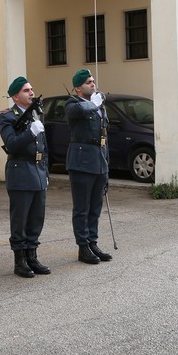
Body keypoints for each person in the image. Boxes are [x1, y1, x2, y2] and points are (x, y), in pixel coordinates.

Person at [0, 76, 51, 278]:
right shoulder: (7, 117)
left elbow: (44, 148)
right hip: (21, 172)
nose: (31, 93)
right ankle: (19, 260)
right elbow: (11, 144)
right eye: (26, 90)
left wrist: (46, 173)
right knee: (20, 219)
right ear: (15, 97)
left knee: (36, 218)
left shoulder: (35, 114)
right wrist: (30, 132)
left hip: (38, 171)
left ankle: (32, 256)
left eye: (31, 89)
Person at [65, 68, 113, 265]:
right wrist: (94, 104)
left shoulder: (99, 106)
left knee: (95, 207)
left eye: (93, 81)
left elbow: (104, 137)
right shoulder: (73, 104)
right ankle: (83, 246)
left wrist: (107, 165)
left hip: (99, 159)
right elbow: (77, 112)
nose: (93, 84)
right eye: (88, 82)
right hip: (81, 162)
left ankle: (93, 242)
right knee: (82, 207)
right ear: (77, 88)